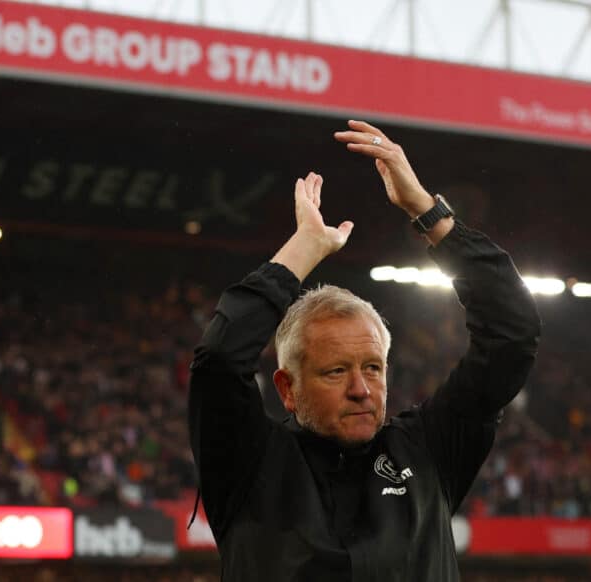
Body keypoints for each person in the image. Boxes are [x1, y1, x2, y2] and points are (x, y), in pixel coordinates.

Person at [189, 120, 541, 581]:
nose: (362, 389)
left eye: (373, 368)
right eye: (335, 372)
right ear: (288, 388)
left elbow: (512, 332)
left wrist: (428, 212)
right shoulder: (249, 462)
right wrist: (303, 249)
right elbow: (219, 360)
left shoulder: (429, 450)